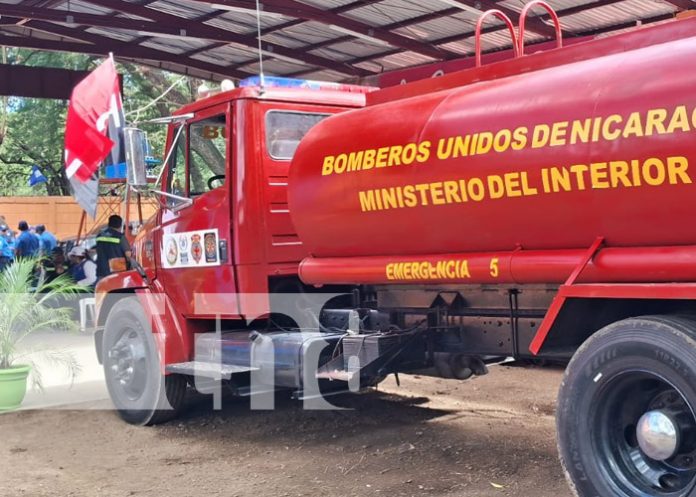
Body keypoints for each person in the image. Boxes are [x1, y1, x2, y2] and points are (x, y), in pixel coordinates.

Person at [96, 215, 131, 280]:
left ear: (109, 224)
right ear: (120, 225)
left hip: (101, 272)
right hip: (117, 272)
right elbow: (128, 255)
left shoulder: (99, 236)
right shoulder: (120, 237)